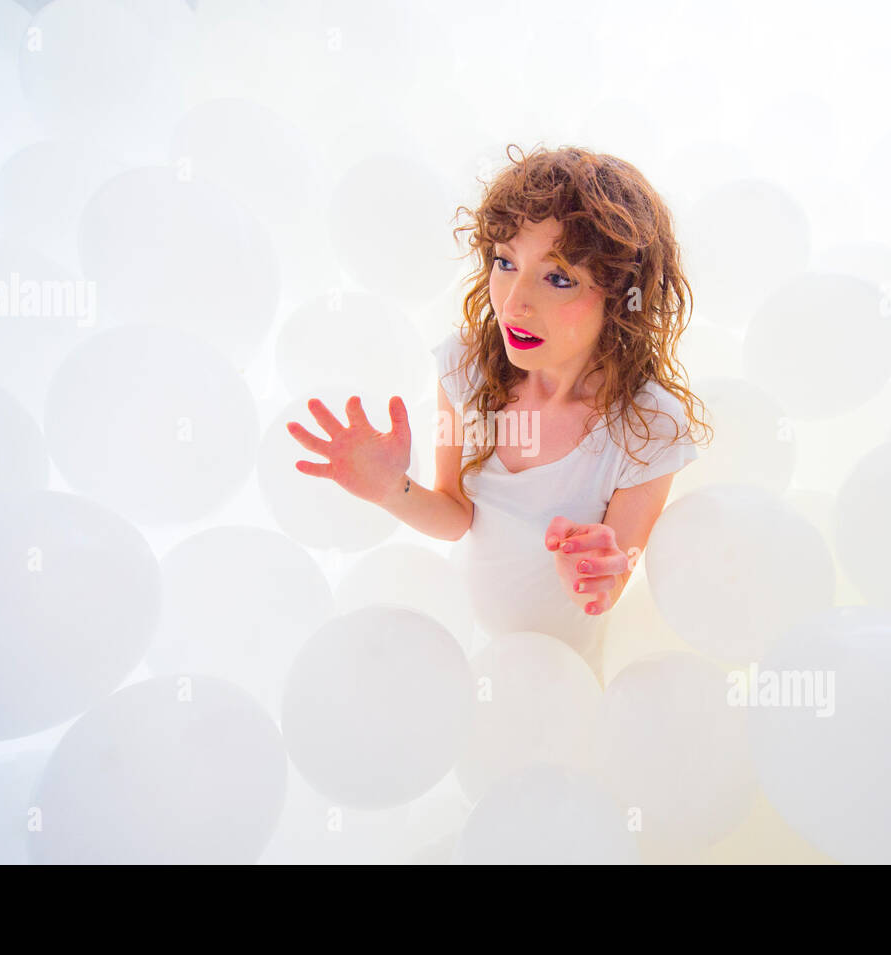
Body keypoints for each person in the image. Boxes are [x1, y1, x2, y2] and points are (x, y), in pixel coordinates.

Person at [286, 144, 711, 684]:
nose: (512, 304)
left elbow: (607, 587)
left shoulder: (649, 427)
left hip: (569, 670)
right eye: (505, 263)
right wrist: (392, 489)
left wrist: (591, 571)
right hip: (475, 652)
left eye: (558, 278)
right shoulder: (467, 369)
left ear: (622, 295)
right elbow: (455, 515)